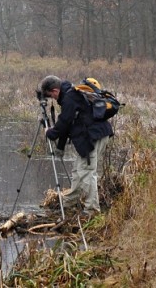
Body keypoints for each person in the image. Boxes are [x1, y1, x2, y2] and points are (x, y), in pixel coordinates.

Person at [38, 75, 113, 214]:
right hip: (98, 135)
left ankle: (92, 210)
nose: (53, 99)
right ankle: (70, 201)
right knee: (78, 171)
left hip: (92, 137)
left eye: (51, 96)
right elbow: (68, 125)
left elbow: (64, 123)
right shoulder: (71, 94)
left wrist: (50, 133)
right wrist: (60, 147)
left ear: (55, 90)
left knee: (87, 172)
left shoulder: (70, 98)